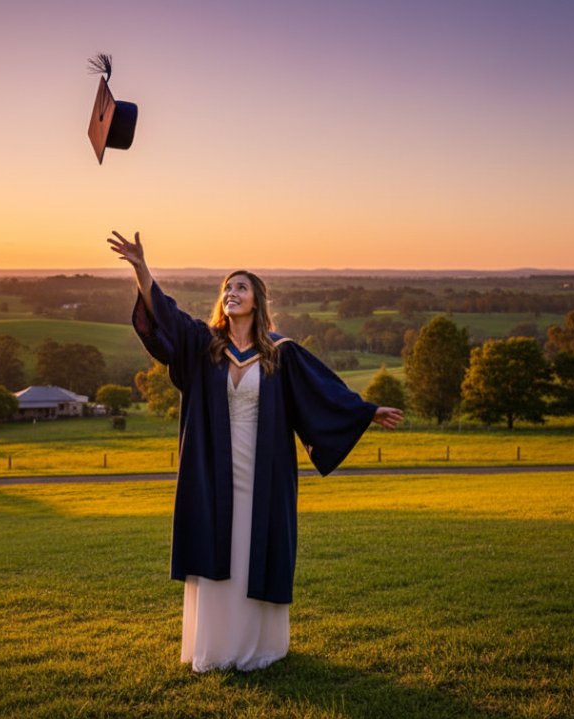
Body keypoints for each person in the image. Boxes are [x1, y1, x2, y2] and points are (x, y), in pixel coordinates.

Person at [108, 230, 404, 673]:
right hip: (213, 467)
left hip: (264, 469)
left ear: (257, 300)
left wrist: (365, 411)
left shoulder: (280, 354)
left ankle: (259, 646)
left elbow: (322, 393)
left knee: (255, 546)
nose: (231, 293)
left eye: (241, 287)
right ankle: (219, 647)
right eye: (227, 287)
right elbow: (164, 317)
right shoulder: (203, 344)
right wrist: (141, 268)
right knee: (218, 544)